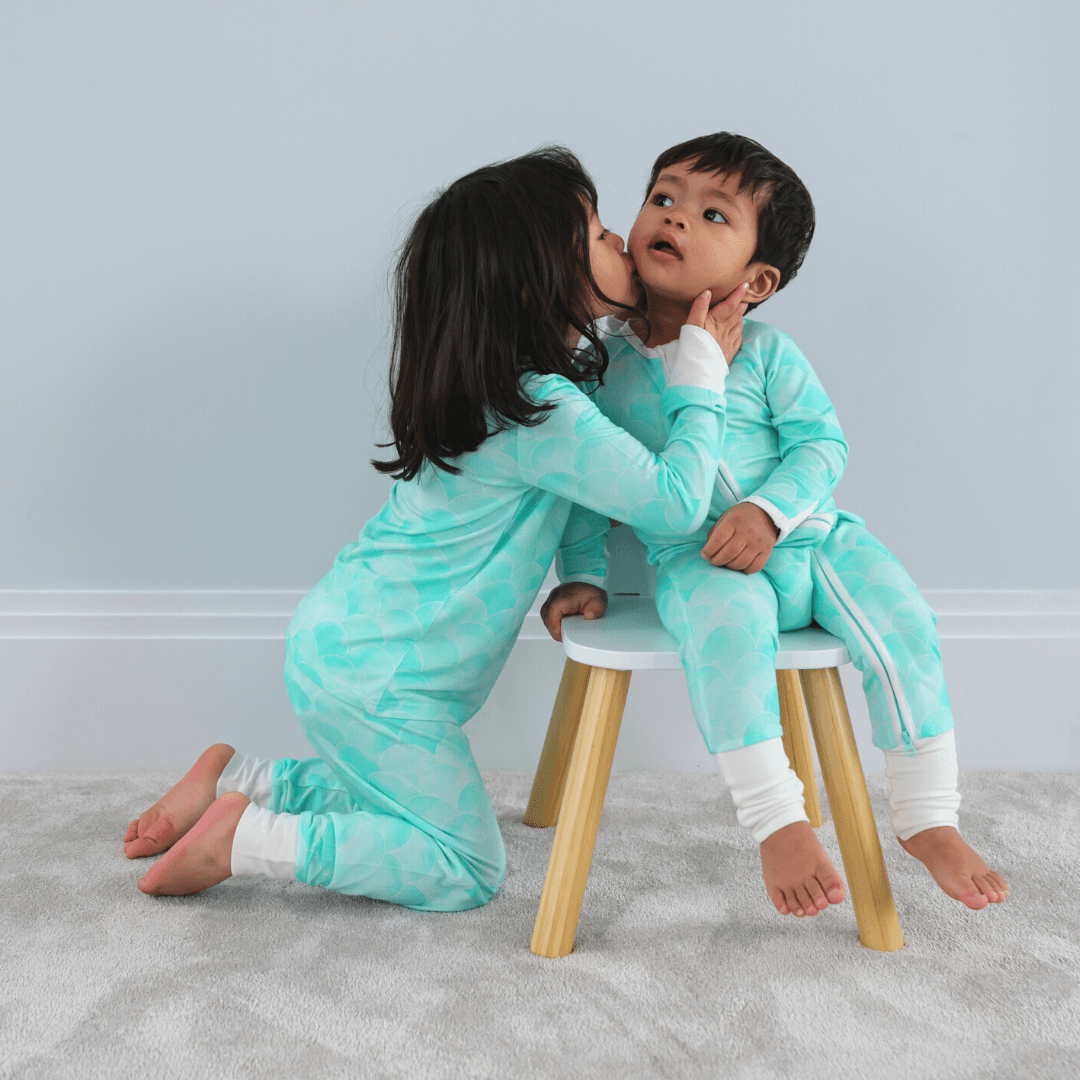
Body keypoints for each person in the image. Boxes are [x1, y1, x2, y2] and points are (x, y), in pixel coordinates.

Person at [123, 146, 749, 909]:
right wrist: (702, 373)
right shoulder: (546, 413)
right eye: (596, 233)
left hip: (350, 647)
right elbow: (675, 500)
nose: (621, 240)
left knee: (397, 795)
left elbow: (583, 495)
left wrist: (583, 571)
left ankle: (241, 782)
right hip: (383, 677)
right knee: (465, 865)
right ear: (539, 281)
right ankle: (249, 839)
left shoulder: (506, 394)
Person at [542, 133, 1009, 920]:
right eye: (663, 197)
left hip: (816, 541)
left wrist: (769, 511)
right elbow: (588, 485)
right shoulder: (602, 371)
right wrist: (583, 572)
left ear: (756, 280)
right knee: (724, 644)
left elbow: (821, 446)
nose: (675, 218)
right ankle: (777, 822)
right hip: (699, 561)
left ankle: (929, 815)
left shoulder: (764, 353)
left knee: (903, 619)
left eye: (712, 214)